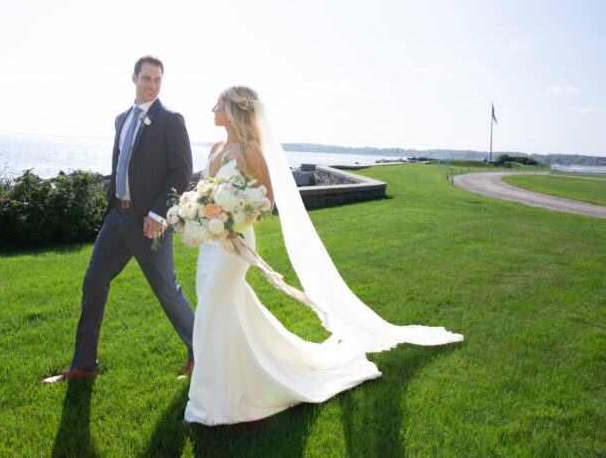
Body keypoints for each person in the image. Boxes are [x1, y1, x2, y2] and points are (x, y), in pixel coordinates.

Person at [183, 86, 463, 425]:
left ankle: (215, 397)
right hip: (211, 245)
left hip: (235, 243)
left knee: (215, 305)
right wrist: (197, 212)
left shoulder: (250, 149)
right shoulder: (215, 148)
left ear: (234, 109)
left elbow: (266, 199)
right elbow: (204, 191)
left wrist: (233, 217)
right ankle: (233, 377)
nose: (213, 108)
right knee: (219, 308)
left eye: (218, 103)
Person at [43, 56, 195, 384]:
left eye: (157, 80)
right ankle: (84, 365)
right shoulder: (121, 119)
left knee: (167, 289)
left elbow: (182, 172)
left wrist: (157, 215)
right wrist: (114, 208)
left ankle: (203, 355)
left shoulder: (171, 120)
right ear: (134, 78)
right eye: (146, 79)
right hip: (117, 218)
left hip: (150, 223)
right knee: (93, 282)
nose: (152, 85)